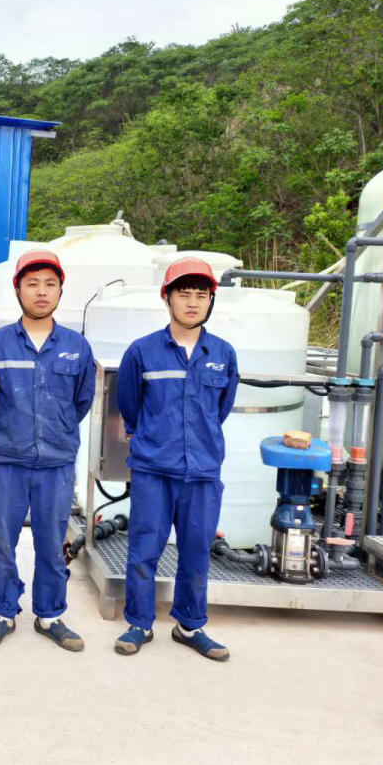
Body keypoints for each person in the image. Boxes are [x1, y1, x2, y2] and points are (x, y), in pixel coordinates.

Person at [0, 249, 95, 650]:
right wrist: (9, 431)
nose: (41, 292)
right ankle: (2, 612)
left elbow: (81, 401)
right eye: (33, 284)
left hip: (56, 462)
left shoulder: (77, 346)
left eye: (50, 284)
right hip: (7, 461)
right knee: (2, 541)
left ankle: (50, 614)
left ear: (60, 291)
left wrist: (55, 431)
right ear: (17, 289)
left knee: (52, 543)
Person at [114, 257, 239, 661]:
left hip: (202, 472)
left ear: (210, 301)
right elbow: (129, 404)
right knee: (143, 550)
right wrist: (154, 437)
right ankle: (139, 623)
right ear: (166, 298)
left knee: (197, 551)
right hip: (153, 469)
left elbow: (220, 409)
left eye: (201, 294)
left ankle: (190, 625)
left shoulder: (223, 353)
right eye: (184, 293)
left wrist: (199, 442)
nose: (192, 302)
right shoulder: (142, 351)